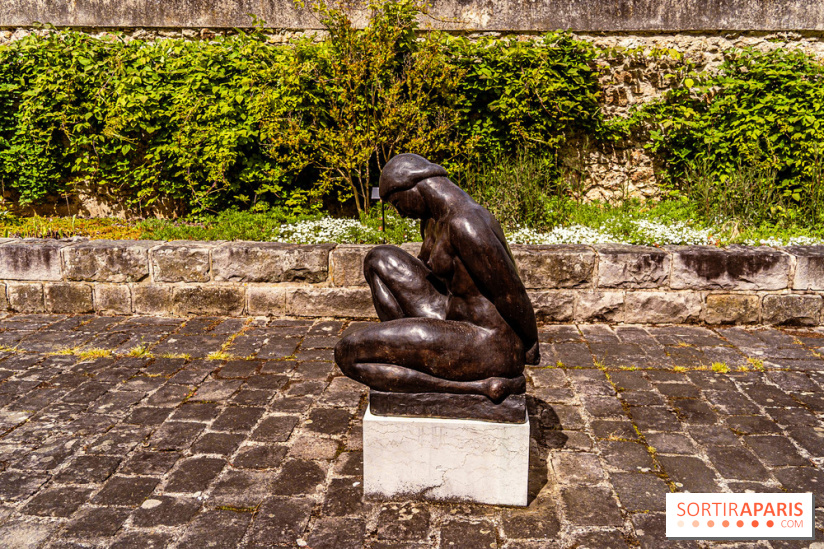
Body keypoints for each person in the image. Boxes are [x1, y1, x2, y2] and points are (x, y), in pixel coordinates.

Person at [334, 153, 540, 403]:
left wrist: (528, 344)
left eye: (397, 203)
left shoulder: (466, 223)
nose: (399, 213)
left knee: (349, 354)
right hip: (450, 313)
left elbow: (510, 293)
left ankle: (474, 387)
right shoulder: (432, 220)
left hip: (484, 339)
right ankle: (408, 354)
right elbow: (432, 274)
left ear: (411, 187)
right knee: (378, 259)